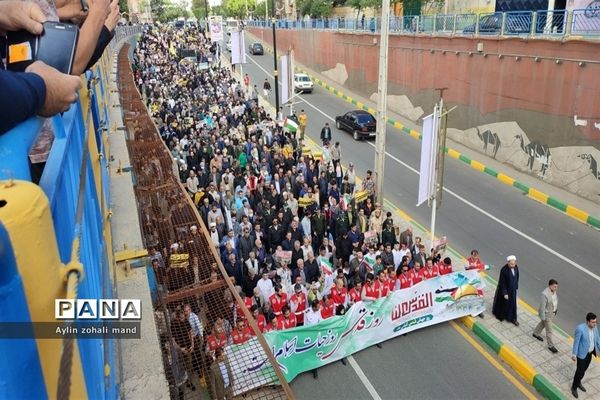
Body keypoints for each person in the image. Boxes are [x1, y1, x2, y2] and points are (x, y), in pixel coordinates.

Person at [571, 312, 600, 398]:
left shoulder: (595, 328)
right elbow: (576, 342)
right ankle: (574, 387)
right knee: (579, 371)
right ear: (588, 322)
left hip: (590, 354)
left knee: (584, 370)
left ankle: (578, 382)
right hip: (581, 354)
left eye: (595, 322)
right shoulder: (580, 329)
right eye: (593, 322)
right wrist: (574, 354)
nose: (595, 324)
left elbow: (597, 340)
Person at [532, 279, 559, 353]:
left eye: (557, 287)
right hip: (547, 315)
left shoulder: (554, 291)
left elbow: (554, 301)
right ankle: (550, 346)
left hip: (552, 313)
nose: (556, 288)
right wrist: (543, 317)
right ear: (550, 286)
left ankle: (535, 333)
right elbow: (542, 307)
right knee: (549, 331)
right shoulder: (544, 294)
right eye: (554, 287)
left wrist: (555, 310)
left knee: (543, 324)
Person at [492, 255, 520, 326]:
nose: (513, 265)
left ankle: (513, 318)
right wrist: (505, 293)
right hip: (506, 291)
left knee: (512, 304)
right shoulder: (504, 270)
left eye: (514, 264)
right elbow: (502, 282)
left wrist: (516, 287)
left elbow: (517, 278)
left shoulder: (516, 268)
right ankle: (501, 316)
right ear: (508, 263)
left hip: (512, 290)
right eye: (511, 264)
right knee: (503, 304)